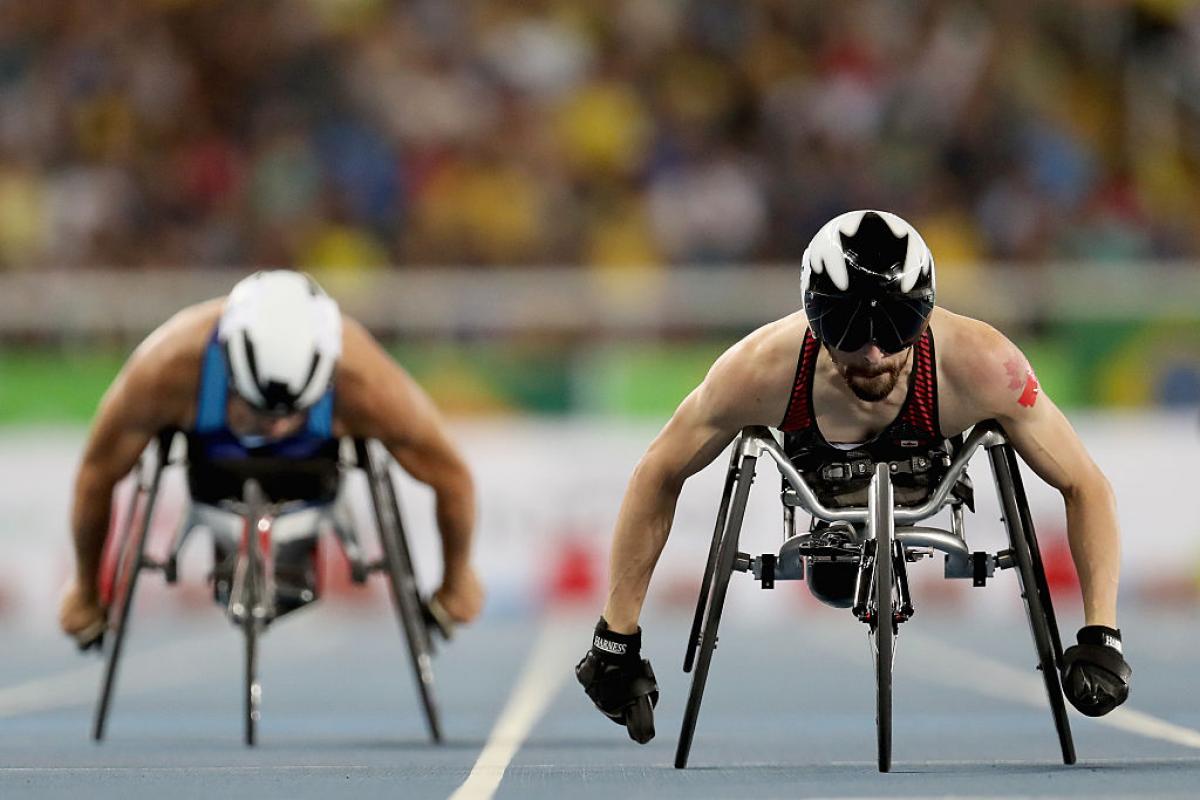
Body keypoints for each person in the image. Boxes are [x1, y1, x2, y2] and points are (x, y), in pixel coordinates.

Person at [576, 210, 1131, 743]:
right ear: (814, 316)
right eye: (846, 328)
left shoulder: (984, 364)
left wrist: (1102, 632)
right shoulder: (759, 368)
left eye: (895, 326)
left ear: (927, 308)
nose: (871, 352)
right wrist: (615, 635)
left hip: (931, 472)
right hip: (819, 485)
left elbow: (1086, 484)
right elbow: (659, 470)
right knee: (832, 580)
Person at [59, 270, 483, 646]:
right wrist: (85, 589)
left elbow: (453, 479)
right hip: (211, 476)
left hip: (313, 478)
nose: (273, 430)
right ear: (228, 365)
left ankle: (294, 561)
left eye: (290, 415)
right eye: (256, 411)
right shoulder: (167, 366)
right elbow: (97, 475)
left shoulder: (368, 383)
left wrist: (456, 579)